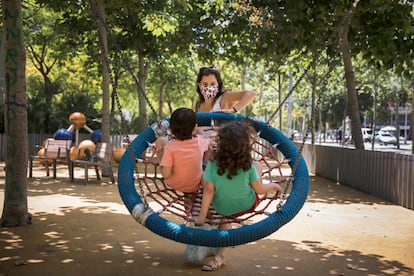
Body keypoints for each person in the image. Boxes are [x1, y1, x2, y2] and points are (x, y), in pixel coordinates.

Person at [193, 121, 283, 271]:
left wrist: (202, 217)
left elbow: (208, 191)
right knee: (257, 166)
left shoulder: (212, 164)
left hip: (221, 207)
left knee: (225, 216)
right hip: (247, 204)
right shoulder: (248, 165)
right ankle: (219, 256)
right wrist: (274, 185)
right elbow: (260, 190)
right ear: (245, 146)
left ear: (220, 143)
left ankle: (220, 256)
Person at [155, 108, 210, 193]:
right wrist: (198, 131)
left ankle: (162, 161)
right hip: (196, 184)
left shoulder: (170, 147)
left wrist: (160, 159)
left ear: (171, 129)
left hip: (174, 183)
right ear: (194, 128)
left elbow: (166, 174)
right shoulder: (200, 141)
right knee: (209, 146)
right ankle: (204, 165)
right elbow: (205, 138)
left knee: (160, 140)